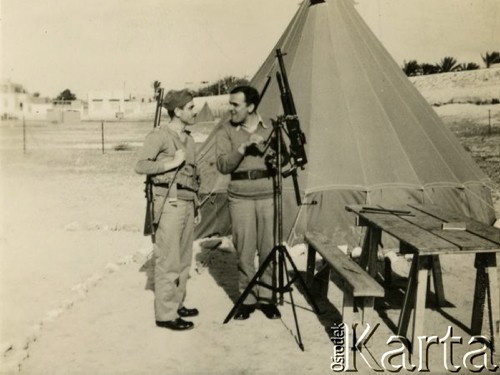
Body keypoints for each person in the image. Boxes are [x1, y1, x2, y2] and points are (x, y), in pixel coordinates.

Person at [135, 89, 200, 331]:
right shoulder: (159, 136)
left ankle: (177, 303)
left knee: (184, 259)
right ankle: (165, 315)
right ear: (178, 111)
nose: (194, 112)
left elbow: (194, 174)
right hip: (168, 202)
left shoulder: (190, 139)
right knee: (168, 260)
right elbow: (140, 165)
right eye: (191, 107)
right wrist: (170, 163)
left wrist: (197, 202)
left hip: (187, 202)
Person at [215, 85, 281, 320]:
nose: (230, 109)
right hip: (240, 197)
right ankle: (247, 299)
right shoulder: (226, 131)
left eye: (235, 104)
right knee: (244, 250)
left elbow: (285, 161)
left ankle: (267, 298)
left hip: (268, 196)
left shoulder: (272, 127)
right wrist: (242, 148)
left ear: (251, 106)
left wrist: (270, 152)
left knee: (267, 249)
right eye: (230, 104)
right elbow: (223, 165)